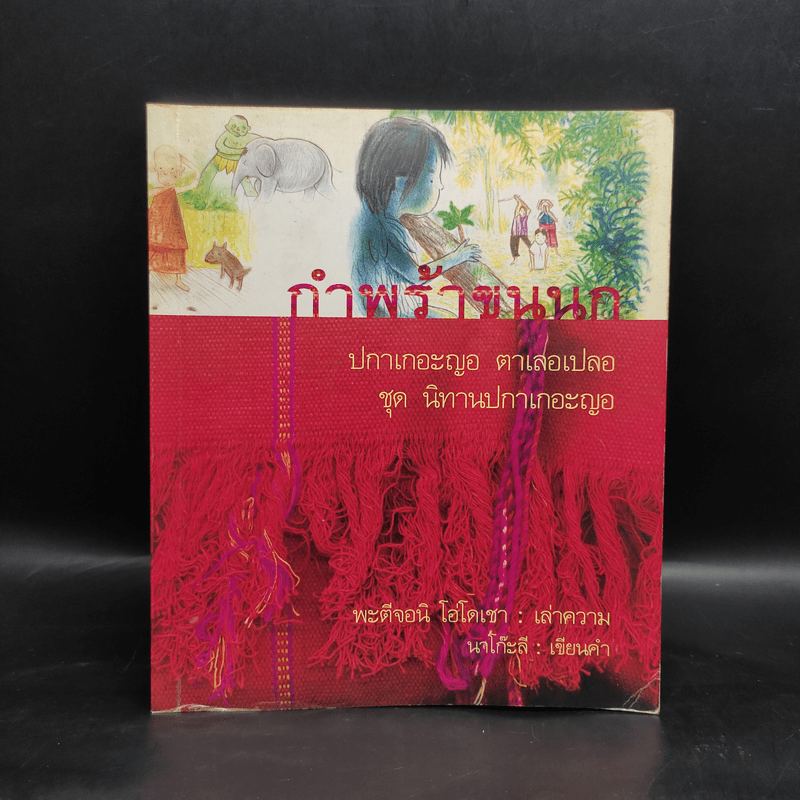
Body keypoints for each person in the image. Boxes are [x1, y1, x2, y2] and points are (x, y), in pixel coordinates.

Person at [350, 117, 481, 317]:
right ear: (397, 180)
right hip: (390, 317)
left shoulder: (376, 218)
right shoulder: (380, 229)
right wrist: (457, 257)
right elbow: (416, 275)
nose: (440, 185)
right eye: (432, 176)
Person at [148, 145, 198, 291]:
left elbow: (196, 180)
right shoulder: (156, 190)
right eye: (163, 173)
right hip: (156, 228)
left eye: (173, 174)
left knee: (177, 250)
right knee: (152, 249)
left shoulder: (174, 190)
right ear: (157, 172)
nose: (168, 177)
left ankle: (178, 280)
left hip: (172, 228)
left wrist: (185, 161)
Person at [509, 194, 532, 265]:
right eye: (521, 211)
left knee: (529, 244)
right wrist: (518, 200)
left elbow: (528, 209)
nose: (523, 212)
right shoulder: (517, 216)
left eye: (524, 211)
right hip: (515, 233)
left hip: (523, 233)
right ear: (519, 212)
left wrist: (520, 200)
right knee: (513, 245)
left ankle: (534, 253)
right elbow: (518, 206)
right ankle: (515, 259)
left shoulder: (525, 217)